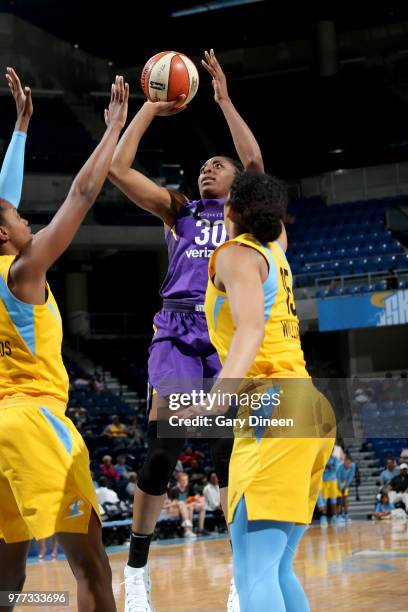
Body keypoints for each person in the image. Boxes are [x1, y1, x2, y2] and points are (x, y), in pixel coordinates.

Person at [108, 49, 264, 611]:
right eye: (204, 167)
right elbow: (119, 171)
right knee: (163, 451)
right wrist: (150, 108)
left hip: (222, 334)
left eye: (218, 166)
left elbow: (254, 161)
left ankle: (240, 574)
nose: (209, 169)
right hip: (176, 331)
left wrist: (223, 100)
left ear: (236, 182)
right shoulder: (181, 211)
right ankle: (136, 570)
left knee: (228, 454)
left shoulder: (242, 216)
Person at [0, 69, 128, 612]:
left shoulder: (3, 260)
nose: (28, 217)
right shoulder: (23, 271)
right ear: (7, 236)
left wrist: (22, 128)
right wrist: (113, 130)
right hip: (33, 424)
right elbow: (81, 193)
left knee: (6, 576)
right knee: (91, 567)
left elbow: (1, 201)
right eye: (20, 218)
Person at [201, 171, 336, 611]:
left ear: (230, 213)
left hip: (272, 408)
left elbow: (251, 330)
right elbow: (260, 180)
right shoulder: (276, 253)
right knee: (277, 569)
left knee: (254, 573)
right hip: (310, 408)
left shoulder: (236, 256)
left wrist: (218, 397)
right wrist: (224, 101)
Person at [336, 454, 356, 522]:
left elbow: (351, 476)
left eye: (349, 463)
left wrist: (346, 485)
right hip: (337, 482)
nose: (347, 465)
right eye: (346, 463)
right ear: (344, 462)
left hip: (345, 482)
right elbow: (338, 477)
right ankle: (338, 515)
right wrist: (340, 487)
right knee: (339, 499)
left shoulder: (353, 466)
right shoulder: (339, 466)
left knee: (345, 498)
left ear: (351, 463)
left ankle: (346, 514)